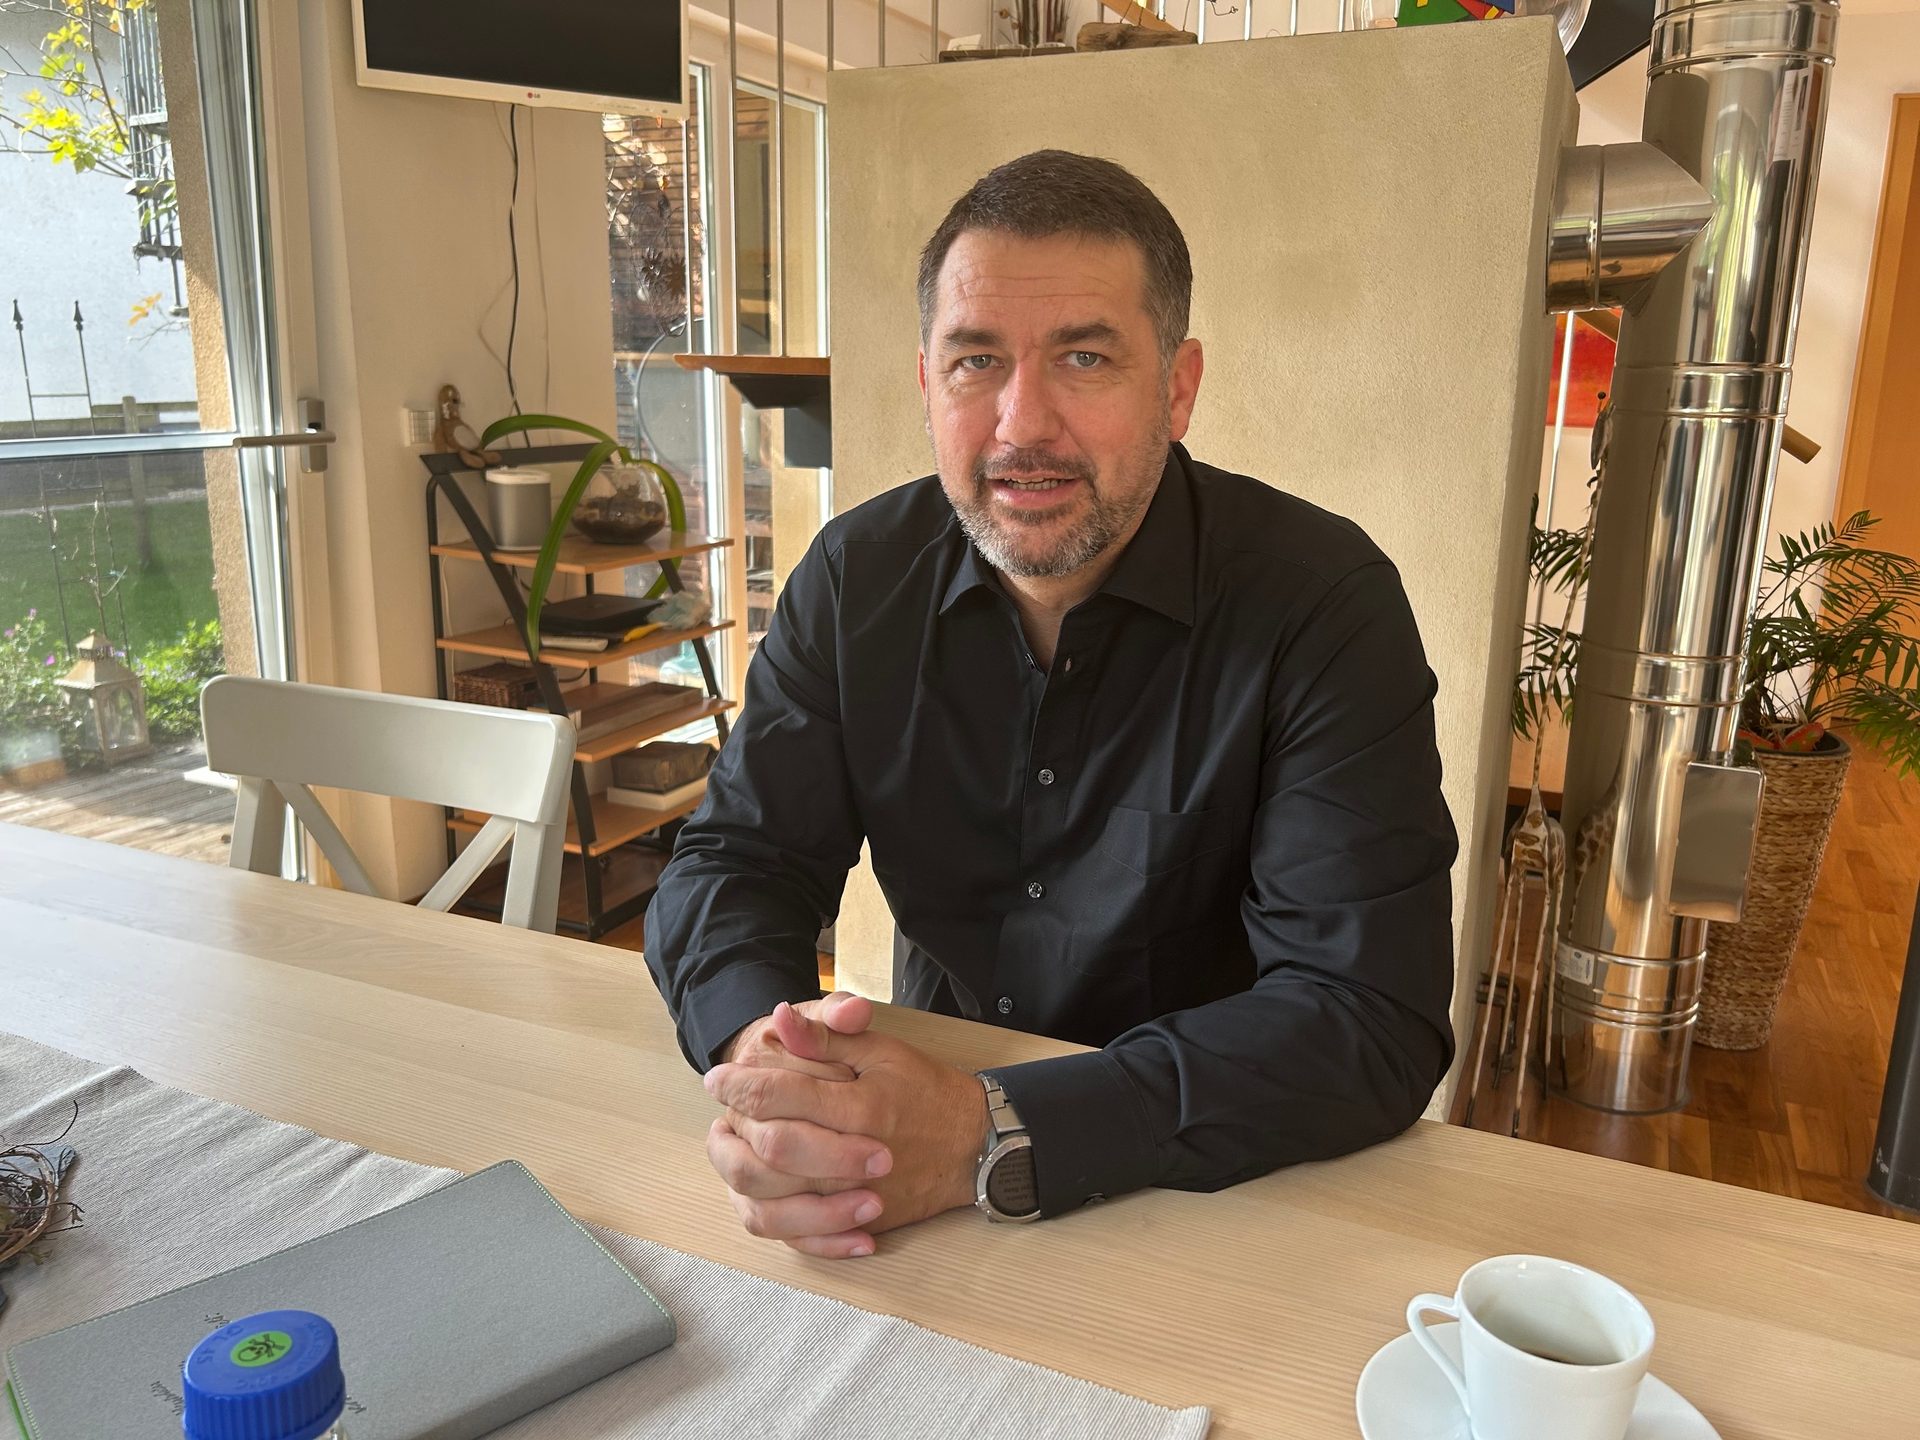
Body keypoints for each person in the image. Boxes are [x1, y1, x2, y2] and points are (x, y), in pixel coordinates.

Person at [644, 149, 1457, 1259]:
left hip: (1220, 1192)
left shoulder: (1324, 605)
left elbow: (1368, 1019)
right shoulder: (852, 581)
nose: (1022, 424)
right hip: (910, 1189)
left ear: (1177, 388)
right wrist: (773, 1063)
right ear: (928, 386)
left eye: (1085, 357)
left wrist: (990, 1128)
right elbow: (737, 860)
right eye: (976, 361)